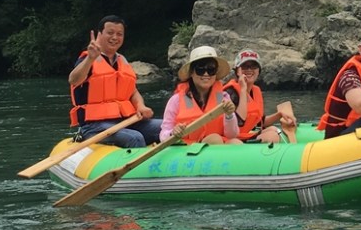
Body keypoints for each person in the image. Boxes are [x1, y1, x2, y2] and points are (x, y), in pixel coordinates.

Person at [69, 16, 163, 148]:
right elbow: (73, 80)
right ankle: (137, 167)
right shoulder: (88, 59)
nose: (115, 37)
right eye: (110, 33)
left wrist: (140, 106)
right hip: (94, 126)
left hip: (126, 121)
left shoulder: (122, 61)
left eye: (119, 34)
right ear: (100, 34)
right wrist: (90, 59)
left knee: (165, 127)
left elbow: (133, 91)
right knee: (135, 138)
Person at [160, 45, 241, 144]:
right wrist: (173, 133)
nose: (206, 74)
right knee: (215, 139)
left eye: (211, 69)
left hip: (217, 146)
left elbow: (232, 135)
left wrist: (229, 115)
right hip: (188, 150)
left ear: (215, 73)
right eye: (200, 69)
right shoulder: (176, 100)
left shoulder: (223, 98)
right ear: (192, 73)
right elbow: (163, 134)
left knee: (236, 142)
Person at [223, 49, 297, 143]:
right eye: (245, 66)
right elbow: (239, 122)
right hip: (231, 139)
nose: (249, 70)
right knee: (271, 136)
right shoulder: (229, 92)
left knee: (273, 129)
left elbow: (259, 122)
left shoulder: (255, 91)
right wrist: (242, 90)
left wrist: (279, 115)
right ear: (237, 71)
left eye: (253, 66)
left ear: (258, 71)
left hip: (245, 136)